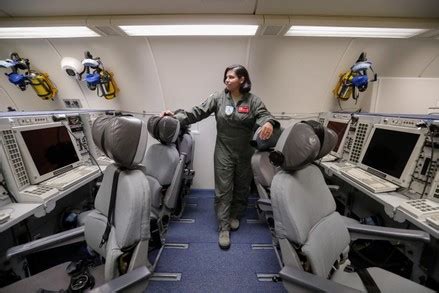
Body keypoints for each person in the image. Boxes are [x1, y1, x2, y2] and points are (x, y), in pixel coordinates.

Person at [162, 64, 279, 249]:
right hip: (224, 150)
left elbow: (264, 115)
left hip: (245, 151)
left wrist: (269, 123)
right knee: (224, 189)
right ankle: (223, 227)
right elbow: (196, 112)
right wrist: (176, 116)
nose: (227, 80)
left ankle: (235, 215)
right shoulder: (218, 98)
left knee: (242, 188)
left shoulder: (253, 101)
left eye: (231, 77)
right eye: (226, 77)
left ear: (242, 80)